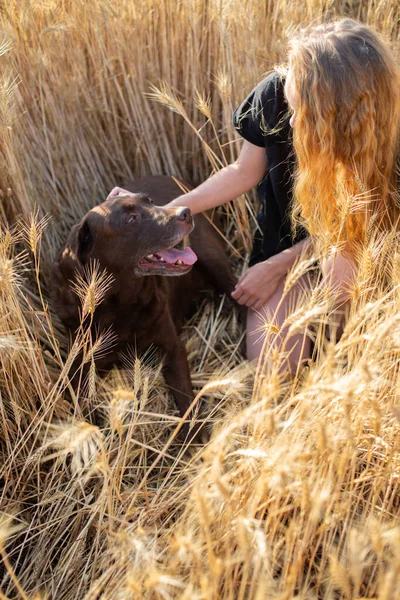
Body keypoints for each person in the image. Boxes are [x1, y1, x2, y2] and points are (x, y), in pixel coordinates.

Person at [108, 18, 400, 375]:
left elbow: (358, 235)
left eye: (300, 113)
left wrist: (282, 265)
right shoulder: (275, 94)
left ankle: (348, 340)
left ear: (340, 118)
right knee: (271, 373)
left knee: (339, 280)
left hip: (364, 258)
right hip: (287, 251)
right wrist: (167, 212)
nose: (290, 122)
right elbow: (242, 172)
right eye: (288, 104)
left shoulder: (388, 141)